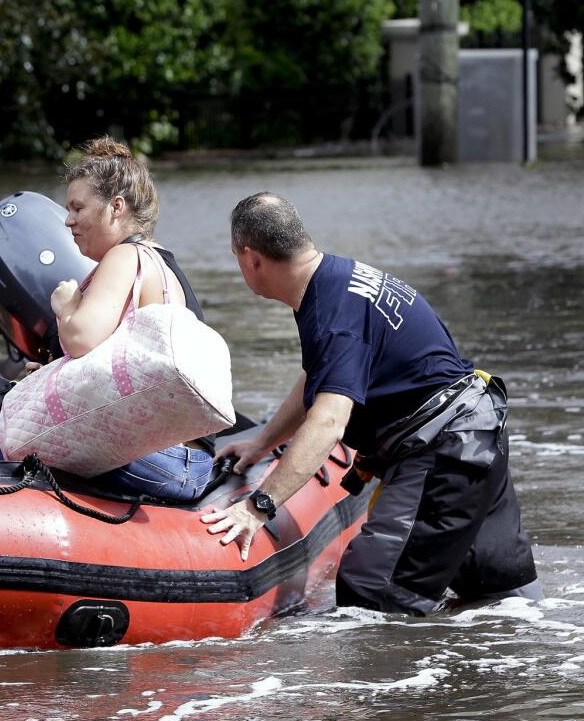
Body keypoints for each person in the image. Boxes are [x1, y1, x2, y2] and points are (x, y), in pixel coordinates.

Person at [202, 191, 541, 615]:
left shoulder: (331, 313)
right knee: (501, 595)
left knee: (371, 591)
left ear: (251, 258)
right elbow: (321, 376)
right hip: (477, 432)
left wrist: (258, 506)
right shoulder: (337, 278)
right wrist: (263, 442)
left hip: (443, 450)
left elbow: (327, 424)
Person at [49, 136, 215, 502]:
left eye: (78, 208)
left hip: (165, 461)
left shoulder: (125, 258)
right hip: (191, 461)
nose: (68, 220)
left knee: (16, 452)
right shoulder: (161, 259)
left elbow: (79, 338)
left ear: (116, 207)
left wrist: (66, 303)